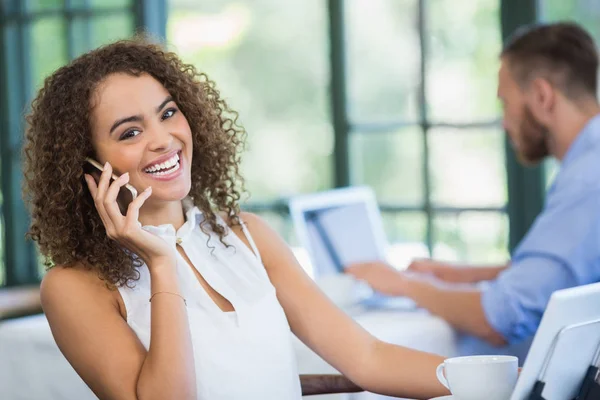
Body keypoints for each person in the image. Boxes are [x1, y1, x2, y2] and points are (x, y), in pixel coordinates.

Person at [23, 37, 449, 400]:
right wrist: (160, 262)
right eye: (130, 132)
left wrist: (494, 378)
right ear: (88, 167)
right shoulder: (73, 287)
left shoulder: (248, 235)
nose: (162, 140)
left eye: (168, 113)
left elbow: (368, 357)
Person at [346, 21, 600, 359]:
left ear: (542, 96)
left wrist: (403, 285)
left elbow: (502, 317)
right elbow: (570, 273)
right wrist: (460, 275)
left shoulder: (588, 179)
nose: (504, 122)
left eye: (505, 103)